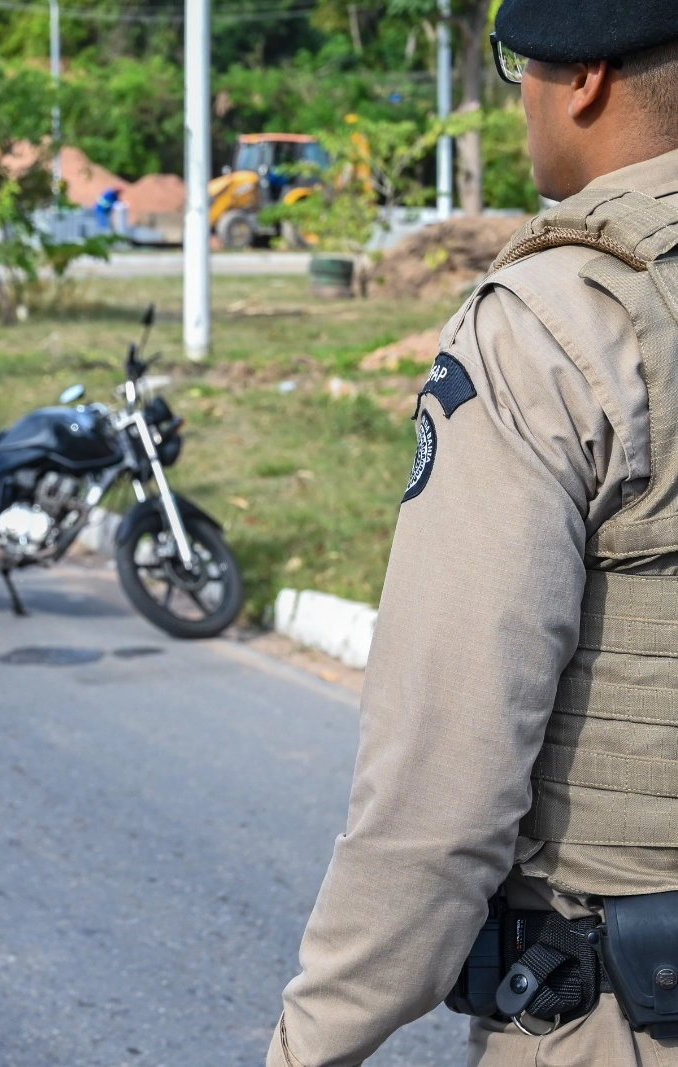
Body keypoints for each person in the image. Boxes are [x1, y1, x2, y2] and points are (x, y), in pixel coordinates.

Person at [268, 4, 678, 1067]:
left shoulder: (557, 318)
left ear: (579, 77)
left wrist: (313, 1041)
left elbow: (439, 781)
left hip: (623, 1011)